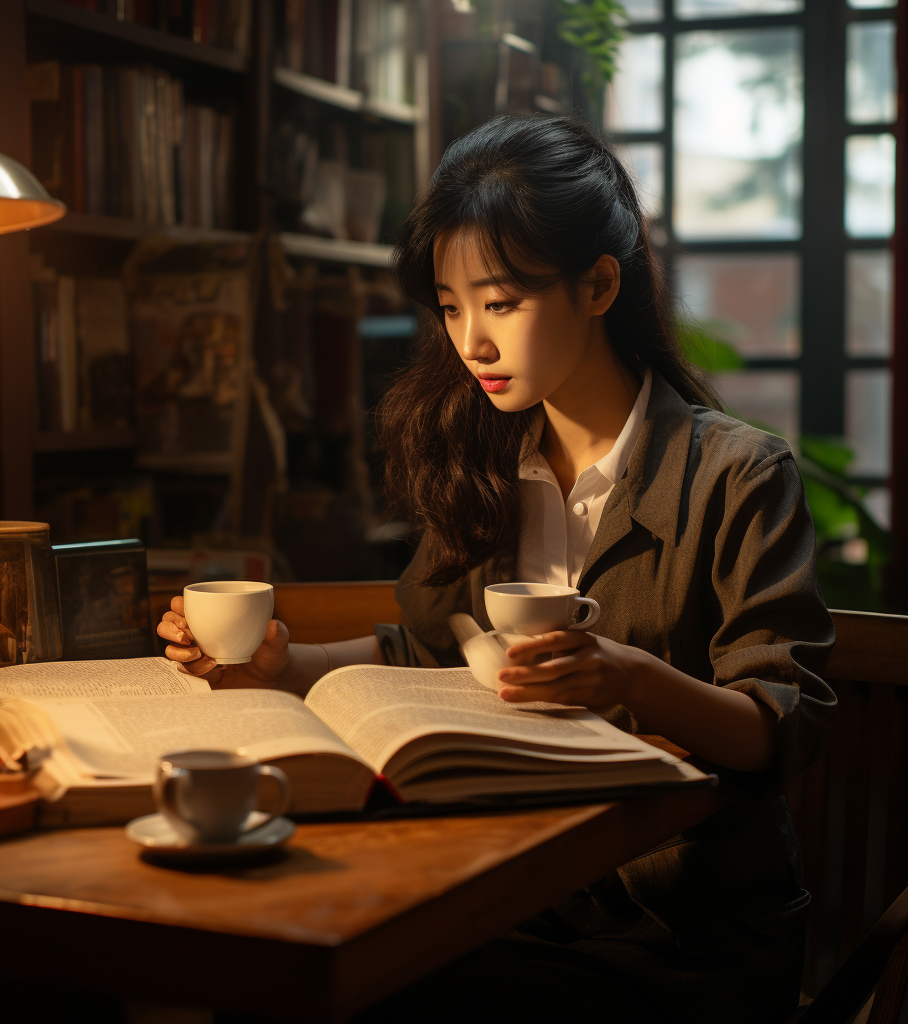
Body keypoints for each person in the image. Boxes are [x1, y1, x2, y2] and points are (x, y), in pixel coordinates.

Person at [158, 115, 837, 1023]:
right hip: (512, 896)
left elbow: (782, 726)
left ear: (599, 283)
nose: (470, 341)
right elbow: (429, 654)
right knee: (273, 957)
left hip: (679, 938)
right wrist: (282, 666)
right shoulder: (481, 461)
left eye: (501, 302)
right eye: (450, 305)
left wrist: (631, 678)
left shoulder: (736, 474)